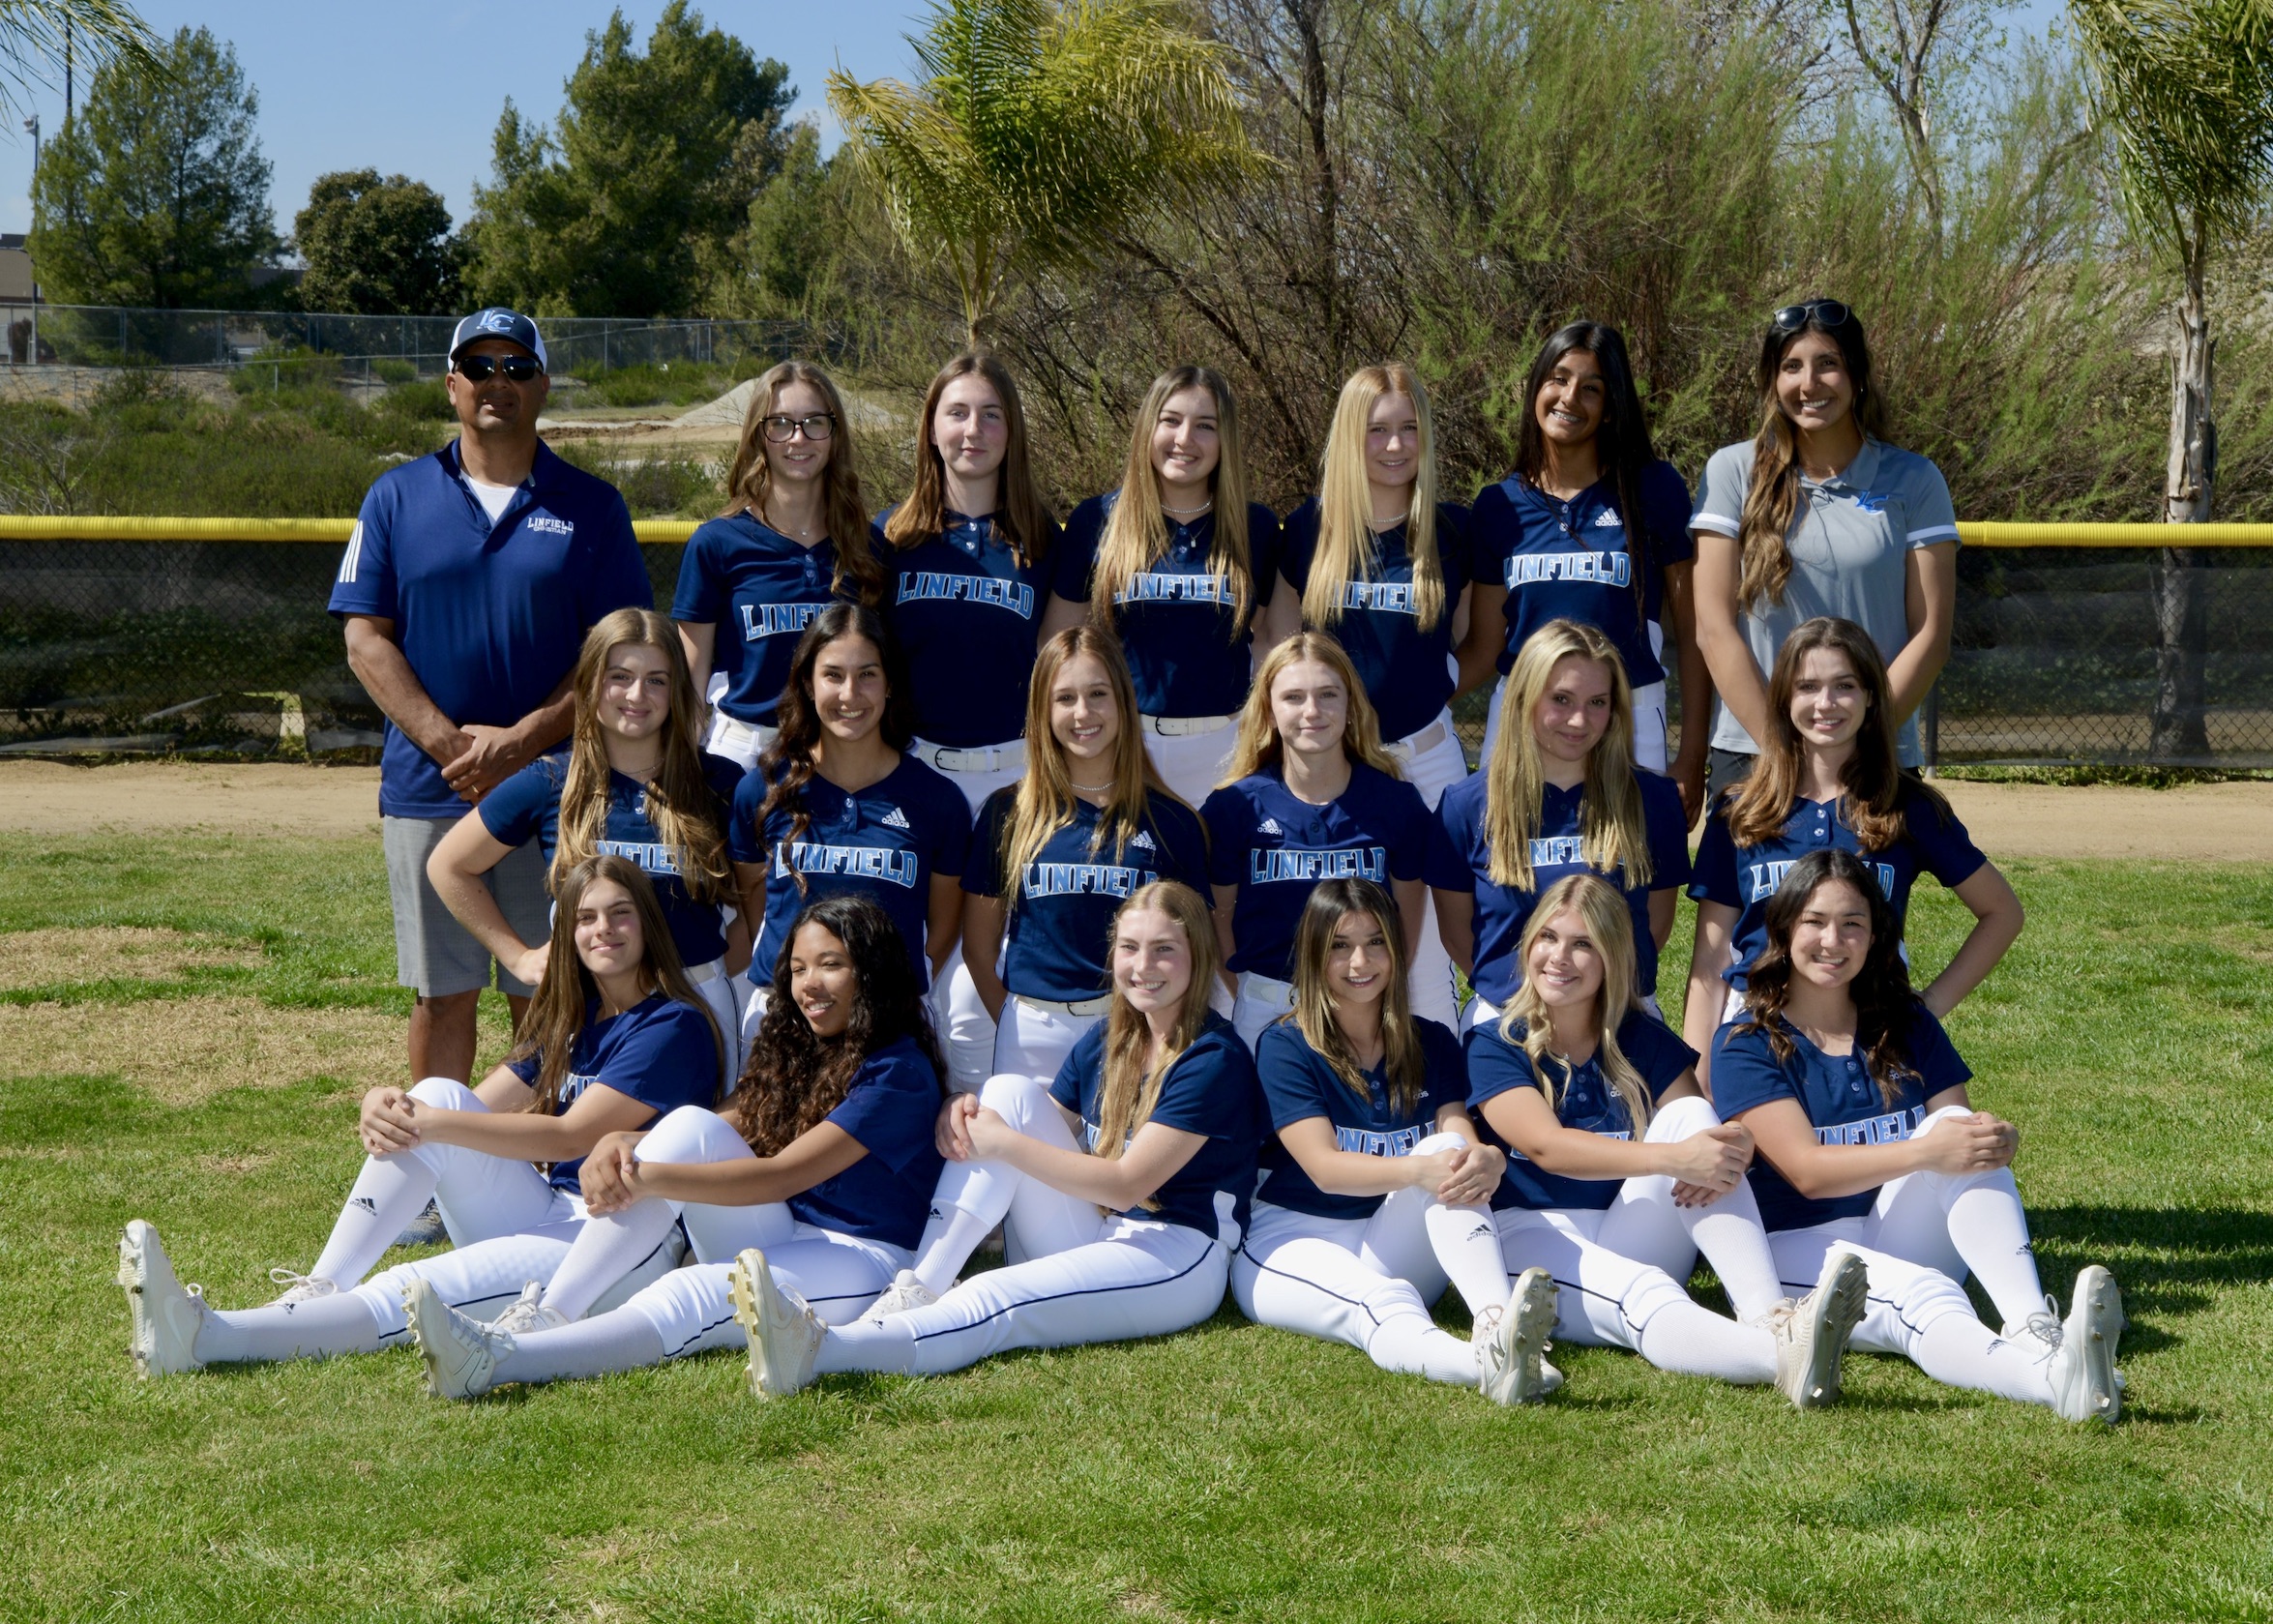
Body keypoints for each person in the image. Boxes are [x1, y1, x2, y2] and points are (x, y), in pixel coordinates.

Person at [118, 857, 719, 1377]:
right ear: (568, 934)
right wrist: (392, 1108)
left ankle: (209, 1337)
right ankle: (319, 1287)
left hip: (617, 1242)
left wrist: (429, 1122)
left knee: (423, 1286)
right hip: (548, 1211)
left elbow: (569, 1138)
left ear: (648, 925)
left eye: (620, 914)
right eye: (586, 918)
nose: (602, 930)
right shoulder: (575, 1018)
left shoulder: (672, 1026)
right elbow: (470, 1110)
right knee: (437, 1091)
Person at [401, 897, 951, 1398]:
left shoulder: (897, 1071)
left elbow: (780, 1176)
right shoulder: (797, 1048)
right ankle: (549, 1313)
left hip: (858, 1255)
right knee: (687, 1126)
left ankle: (503, 1359)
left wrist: (651, 1178)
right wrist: (629, 1142)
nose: (809, 985)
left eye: (831, 965)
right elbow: (714, 1130)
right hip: (780, 1226)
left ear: (871, 973)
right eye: (799, 969)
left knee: (697, 1290)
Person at [729, 879, 1260, 1394]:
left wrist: (1000, 1141)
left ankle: (825, 1350)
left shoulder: (1213, 1057)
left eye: (1164, 950)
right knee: (1004, 1091)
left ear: (1199, 953)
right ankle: (920, 1286)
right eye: (1129, 947)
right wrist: (960, 1108)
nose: (1143, 967)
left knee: (994, 1294)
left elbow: (1123, 1185)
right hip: (1101, 1231)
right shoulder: (1113, 1038)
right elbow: (1030, 1118)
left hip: (1178, 1254)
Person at [330, 307, 651, 1084]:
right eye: (479, 367)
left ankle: (537, 1172)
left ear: (543, 386)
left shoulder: (594, 506)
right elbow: (364, 638)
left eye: (515, 368)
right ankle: (439, 1180)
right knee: (443, 993)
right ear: (451, 385)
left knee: (548, 990)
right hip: (429, 785)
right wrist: (452, 746)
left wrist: (522, 741)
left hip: (553, 786)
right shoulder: (396, 497)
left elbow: (617, 654)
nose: (496, 383)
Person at [1711, 850, 2126, 1421]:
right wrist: (1927, 1151)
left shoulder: (1903, 1019)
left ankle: (2035, 1328)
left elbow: (1954, 1140)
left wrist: (1994, 1141)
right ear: (1782, 931)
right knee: (1923, 1297)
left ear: (1877, 935)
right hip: (1800, 1244)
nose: (1833, 940)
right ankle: (2057, 1384)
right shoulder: (1747, 1041)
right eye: (1814, 922)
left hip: (1894, 1222)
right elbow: (1806, 1172)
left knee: (1958, 1130)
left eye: (1852, 924)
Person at [1463, 873, 1868, 1405]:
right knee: (1645, 1296)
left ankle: (1768, 1313)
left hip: (1630, 1224)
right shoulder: (1495, 1042)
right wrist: (1678, 1157)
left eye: (1583, 944)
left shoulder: (1639, 1037)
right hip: (1534, 1235)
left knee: (1694, 1114)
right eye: (1548, 938)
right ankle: (1781, 1357)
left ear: (1612, 957)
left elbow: (1700, 1129)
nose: (1559, 957)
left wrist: (1735, 1144)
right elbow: (1547, 1148)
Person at [1231, 877, 1563, 1404]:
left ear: (1397, 948)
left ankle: (1494, 1320)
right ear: (1314, 954)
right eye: (1339, 946)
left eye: (1375, 942)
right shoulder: (1285, 1042)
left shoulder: (1429, 1038)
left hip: (1389, 1233)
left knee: (1445, 1154)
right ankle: (1489, 1365)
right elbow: (1324, 1167)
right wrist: (1415, 1171)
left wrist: (1486, 1156)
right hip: (1295, 1238)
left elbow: (1454, 1132)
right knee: (1379, 1303)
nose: (1360, 962)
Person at [1684, 617, 2022, 1078]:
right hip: (1758, 1029)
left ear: (1870, 697)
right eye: (1807, 687)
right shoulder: (1741, 810)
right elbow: (1712, 955)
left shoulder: (1904, 806)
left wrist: (1928, 1004)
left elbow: (2002, 911)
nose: (1825, 703)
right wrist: (1698, 1075)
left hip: (1871, 1026)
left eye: (1844, 685)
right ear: (1784, 699)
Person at [428, 608, 748, 1085]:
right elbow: (448, 865)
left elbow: (757, 890)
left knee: (675, 1153)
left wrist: (723, 962)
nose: (637, 695)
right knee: (555, 1145)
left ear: (678, 689)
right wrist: (517, 956)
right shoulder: (552, 780)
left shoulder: (719, 782)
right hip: (586, 1007)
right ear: (592, 683)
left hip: (694, 1002)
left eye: (656, 680)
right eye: (620, 677)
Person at [1265, 363, 1472, 1027]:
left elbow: (1471, 640)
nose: (1394, 445)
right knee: (1338, 926)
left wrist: (1430, 688)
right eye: (1377, 429)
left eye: (1409, 428)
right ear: (1350, 437)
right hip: (1332, 762)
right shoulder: (1306, 530)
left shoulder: (1450, 531)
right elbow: (1280, 650)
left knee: (1430, 933)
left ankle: (1437, 1089)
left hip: (1427, 755)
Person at [877, 352, 1062, 1092]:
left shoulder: (1046, 541)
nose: (973, 429)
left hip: (1015, 775)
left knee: (998, 967)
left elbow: (1058, 668)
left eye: (991, 414)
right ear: (930, 427)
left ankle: (1009, 1132)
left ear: (1012, 430)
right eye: (956, 412)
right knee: (919, 964)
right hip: (919, 773)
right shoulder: (891, 538)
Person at [1690, 299, 1959, 800]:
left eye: (1827, 364)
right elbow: (1713, 629)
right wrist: (1782, 752)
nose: (1808, 384)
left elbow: (1931, 635)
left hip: (1875, 758)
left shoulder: (1916, 479)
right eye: (1791, 367)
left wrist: (1857, 744)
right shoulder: (1730, 472)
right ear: (1773, 380)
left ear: (1857, 375)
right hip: (1754, 754)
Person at [1460, 323, 1708, 812]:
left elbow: (1696, 633)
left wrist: (1692, 754)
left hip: (1629, 713)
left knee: (1624, 876)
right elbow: (1487, 646)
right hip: (1522, 716)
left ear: (1611, 407)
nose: (1569, 397)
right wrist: (1404, 708)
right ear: (1535, 388)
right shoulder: (1498, 505)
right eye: (1557, 379)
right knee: (1509, 873)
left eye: (1590, 388)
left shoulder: (1652, 490)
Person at [962, 626, 1211, 1080]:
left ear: (1122, 700)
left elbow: (1198, 951)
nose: (1083, 713)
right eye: (1065, 698)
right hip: (1030, 1034)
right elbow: (979, 950)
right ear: (1042, 710)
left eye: (1098, 693)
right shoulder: (1007, 812)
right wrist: (1019, 1024)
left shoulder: (1172, 821)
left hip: (1133, 1032)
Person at [726, 605, 969, 1045]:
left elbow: (943, 924)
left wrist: (890, 984)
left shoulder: (938, 800)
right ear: (807, 683)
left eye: (868, 674)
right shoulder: (761, 791)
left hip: (889, 1022)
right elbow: (757, 905)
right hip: (783, 1015)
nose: (849, 694)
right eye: (833, 675)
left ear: (891, 682)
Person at [1429, 619, 1689, 1026]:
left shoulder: (1652, 801)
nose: (1579, 720)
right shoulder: (1465, 806)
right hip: (1508, 1019)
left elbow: (1654, 923)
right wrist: (1528, 999)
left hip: (1620, 1016)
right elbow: (1459, 934)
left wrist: (1590, 1005)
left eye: (1598, 702)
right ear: (1525, 698)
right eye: (1562, 699)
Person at [1042, 367, 1282, 807]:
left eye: (1205, 425)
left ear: (1224, 439)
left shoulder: (1256, 527)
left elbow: (1270, 639)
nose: (1184, 439)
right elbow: (1059, 645)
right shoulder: (1097, 520)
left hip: (1226, 748)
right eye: (1170, 420)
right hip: (1125, 745)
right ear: (1147, 427)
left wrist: (1260, 736)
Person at [1200, 634, 1432, 1048]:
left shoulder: (1396, 803)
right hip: (1268, 1009)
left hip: (1363, 1007)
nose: (1312, 711)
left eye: (1328, 694)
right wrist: (1255, 993)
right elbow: (1218, 917)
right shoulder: (1233, 807)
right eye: (1293, 697)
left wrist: (1372, 987)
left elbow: (1406, 921)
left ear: (1350, 707)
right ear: (1269, 711)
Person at [671, 361, 884, 771]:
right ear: (759, 434)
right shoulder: (717, 542)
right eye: (781, 423)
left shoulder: (866, 544)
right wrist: (684, 772)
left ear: (834, 433)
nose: (798, 438)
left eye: (814, 422)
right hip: (744, 753)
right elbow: (691, 685)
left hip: (841, 755)